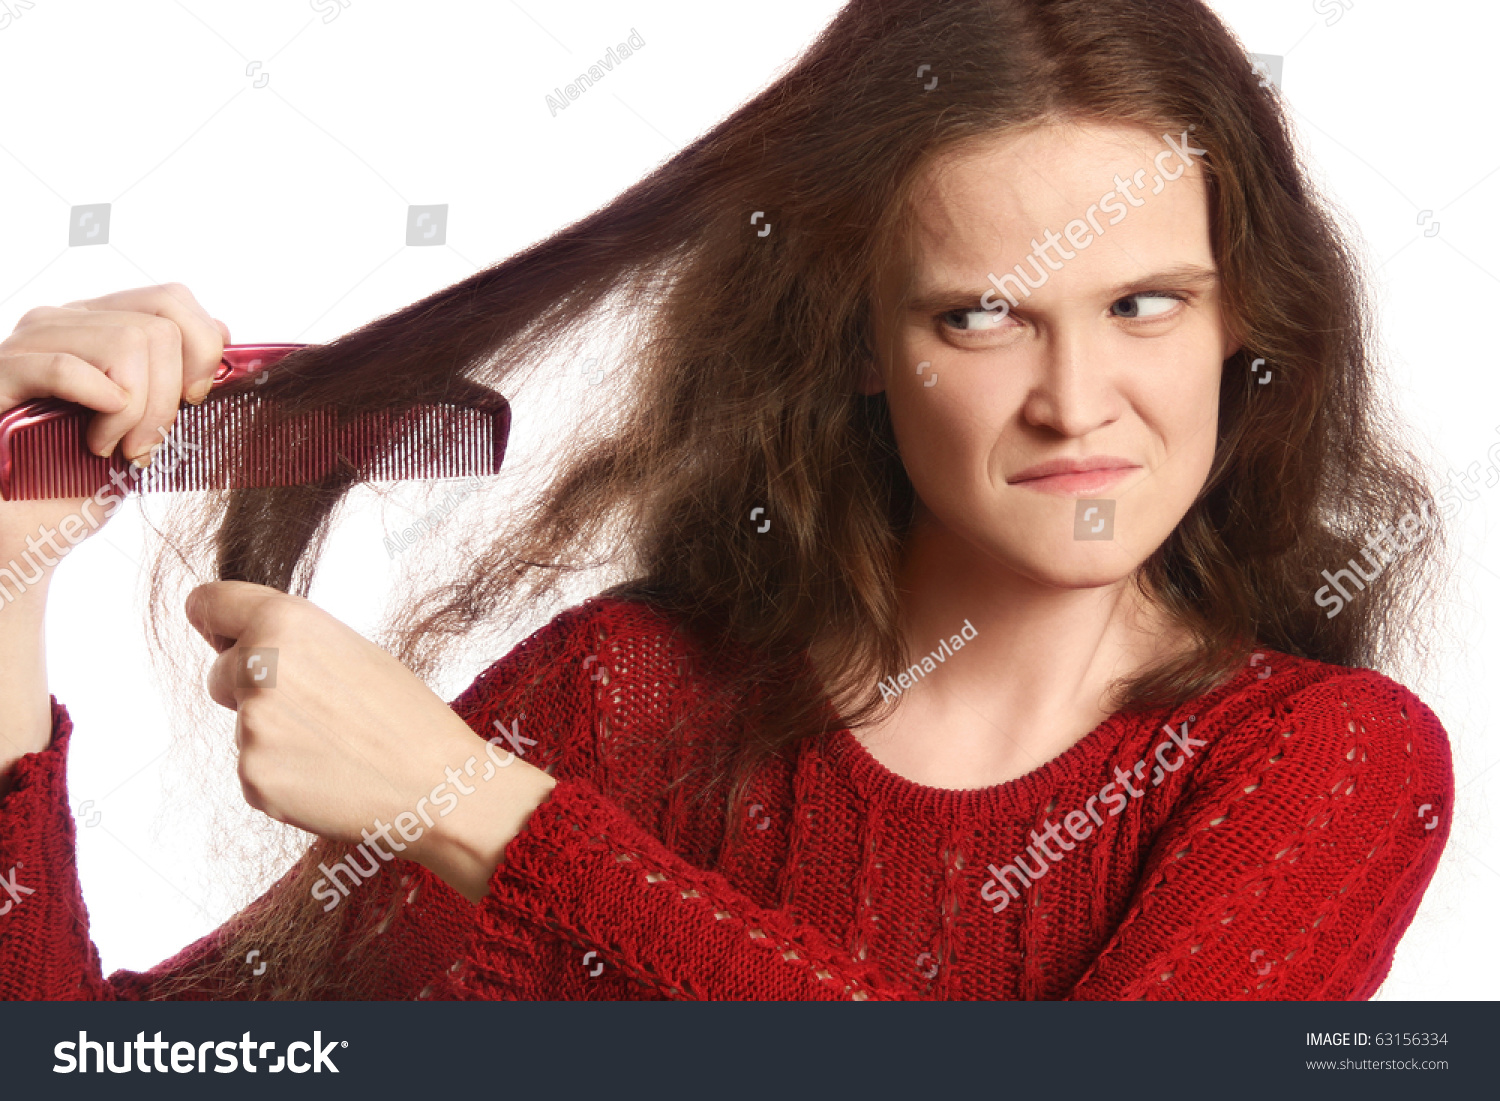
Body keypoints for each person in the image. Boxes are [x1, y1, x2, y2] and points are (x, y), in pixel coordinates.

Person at [0, 0, 1454, 1001]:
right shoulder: (623, 706)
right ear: (861, 344)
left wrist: (483, 813)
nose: (1076, 400)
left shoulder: (1323, 764)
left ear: (1242, 320)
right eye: (980, 319)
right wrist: (5, 568)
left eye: (1144, 302)